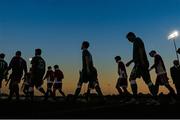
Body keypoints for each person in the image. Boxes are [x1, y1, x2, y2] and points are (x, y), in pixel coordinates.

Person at [126, 32, 155, 103]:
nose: (129, 41)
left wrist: (142, 61)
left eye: (129, 39)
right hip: (138, 63)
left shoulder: (137, 40)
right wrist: (130, 62)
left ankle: (154, 98)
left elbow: (141, 50)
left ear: (132, 36)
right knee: (143, 80)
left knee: (145, 80)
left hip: (140, 64)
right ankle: (136, 98)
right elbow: (137, 55)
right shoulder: (135, 42)